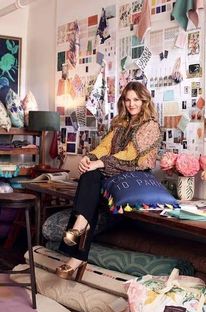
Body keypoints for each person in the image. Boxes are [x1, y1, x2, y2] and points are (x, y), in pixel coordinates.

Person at [55, 81, 161, 281]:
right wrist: (91, 158)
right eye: (128, 100)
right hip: (114, 169)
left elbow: (131, 155)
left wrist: (100, 164)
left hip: (135, 172)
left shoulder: (150, 125)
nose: (131, 104)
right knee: (89, 174)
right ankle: (80, 226)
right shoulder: (121, 123)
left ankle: (77, 244)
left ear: (144, 101)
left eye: (136, 100)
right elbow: (104, 147)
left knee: (93, 177)